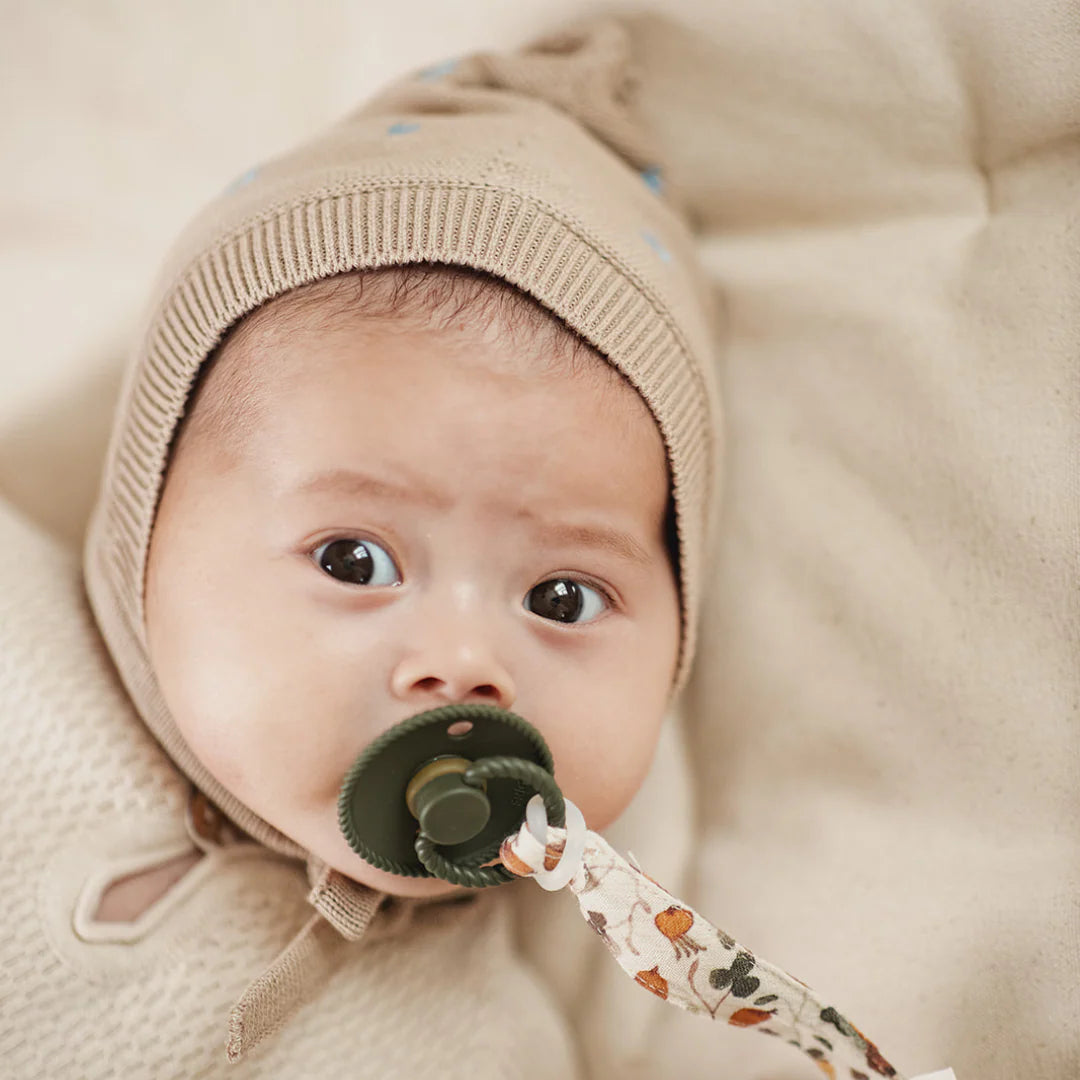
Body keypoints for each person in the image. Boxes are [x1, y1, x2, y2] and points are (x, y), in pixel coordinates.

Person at [0, 11, 721, 1077]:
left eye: (563, 597)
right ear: (145, 521)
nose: (464, 666)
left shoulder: (488, 1049)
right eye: (353, 561)